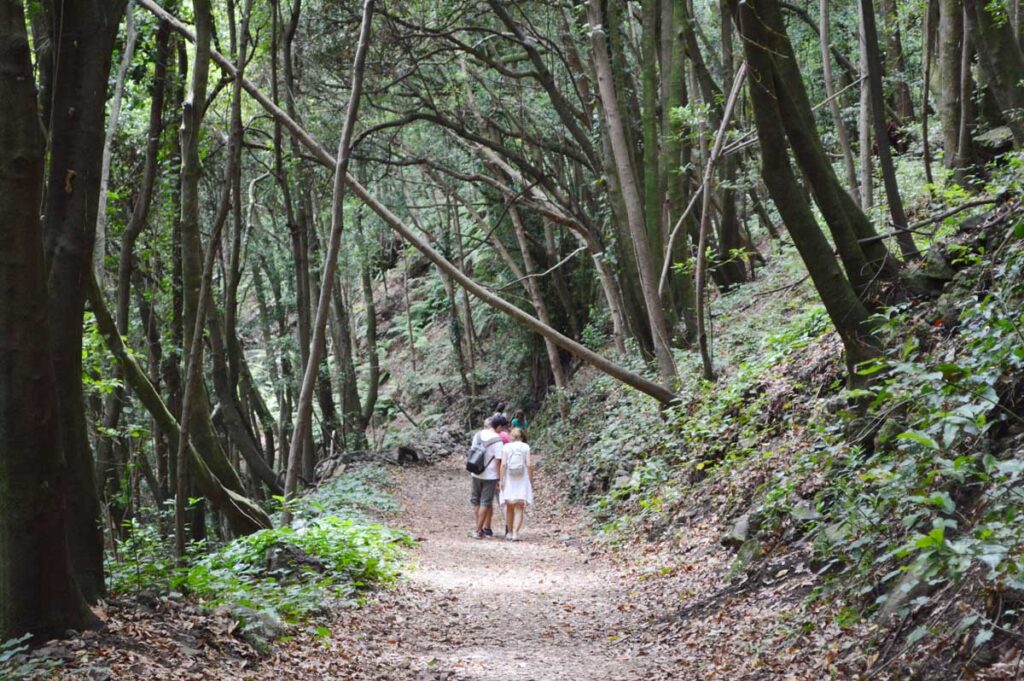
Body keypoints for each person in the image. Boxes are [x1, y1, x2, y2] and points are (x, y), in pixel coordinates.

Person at [468, 415, 507, 539]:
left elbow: (472, 451)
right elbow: (498, 462)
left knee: (476, 500)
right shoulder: (497, 440)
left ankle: (478, 529)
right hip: (490, 476)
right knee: (485, 501)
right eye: (503, 428)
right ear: (499, 426)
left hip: (475, 472)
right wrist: (500, 478)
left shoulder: (478, 435)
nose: (503, 430)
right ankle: (479, 530)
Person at [498, 427, 533, 541]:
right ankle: (515, 534)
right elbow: (528, 464)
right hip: (522, 479)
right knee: (519, 508)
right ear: (522, 436)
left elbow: (503, 464)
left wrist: (501, 480)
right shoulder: (525, 447)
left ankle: (508, 533)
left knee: (509, 507)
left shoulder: (506, 447)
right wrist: (530, 479)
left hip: (509, 479)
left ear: (511, 437)